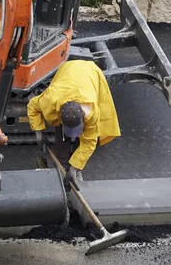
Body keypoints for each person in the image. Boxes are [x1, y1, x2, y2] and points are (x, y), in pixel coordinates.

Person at [27, 60, 121, 188]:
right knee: (61, 136)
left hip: (90, 71)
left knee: (84, 139)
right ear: (60, 114)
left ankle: (74, 170)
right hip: (67, 70)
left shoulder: (92, 112)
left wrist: (74, 169)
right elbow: (33, 106)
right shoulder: (51, 99)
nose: (73, 134)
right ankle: (61, 169)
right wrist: (38, 132)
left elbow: (88, 143)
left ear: (83, 116)